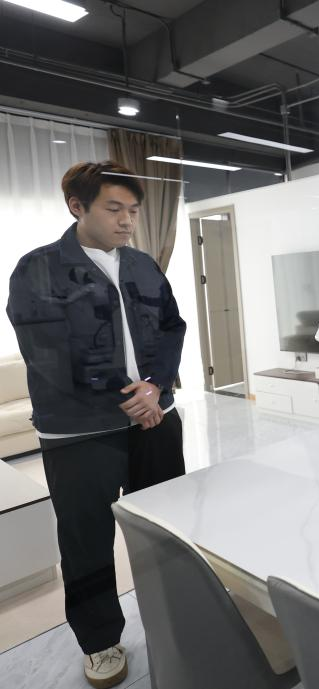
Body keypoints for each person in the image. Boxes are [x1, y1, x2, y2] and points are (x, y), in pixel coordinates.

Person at [6, 161, 186, 688]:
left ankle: (175, 613)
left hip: (155, 418)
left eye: (133, 210)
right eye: (114, 208)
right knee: (86, 539)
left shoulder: (143, 265)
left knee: (166, 527)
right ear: (77, 207)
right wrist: (126, 397)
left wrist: (156, 385)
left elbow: (171, 327)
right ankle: (100, 640)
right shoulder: (37, 269)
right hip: (79, 431)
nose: (127, 220)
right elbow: (49, 352)